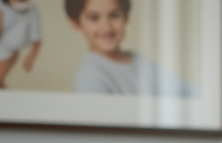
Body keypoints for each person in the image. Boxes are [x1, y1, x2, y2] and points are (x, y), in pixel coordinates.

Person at [64, 0, 196, 97]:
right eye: (94, 18)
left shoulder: (138, 60)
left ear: (127, 16)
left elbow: (185, 91)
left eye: (114, 15)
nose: (106, 27)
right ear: (75, 23)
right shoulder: (90, 78)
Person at [0, 0, 42, 89]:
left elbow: (36, 38)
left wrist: (31, 58)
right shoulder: (1, 7)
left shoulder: (32, 10)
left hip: (7, 53)